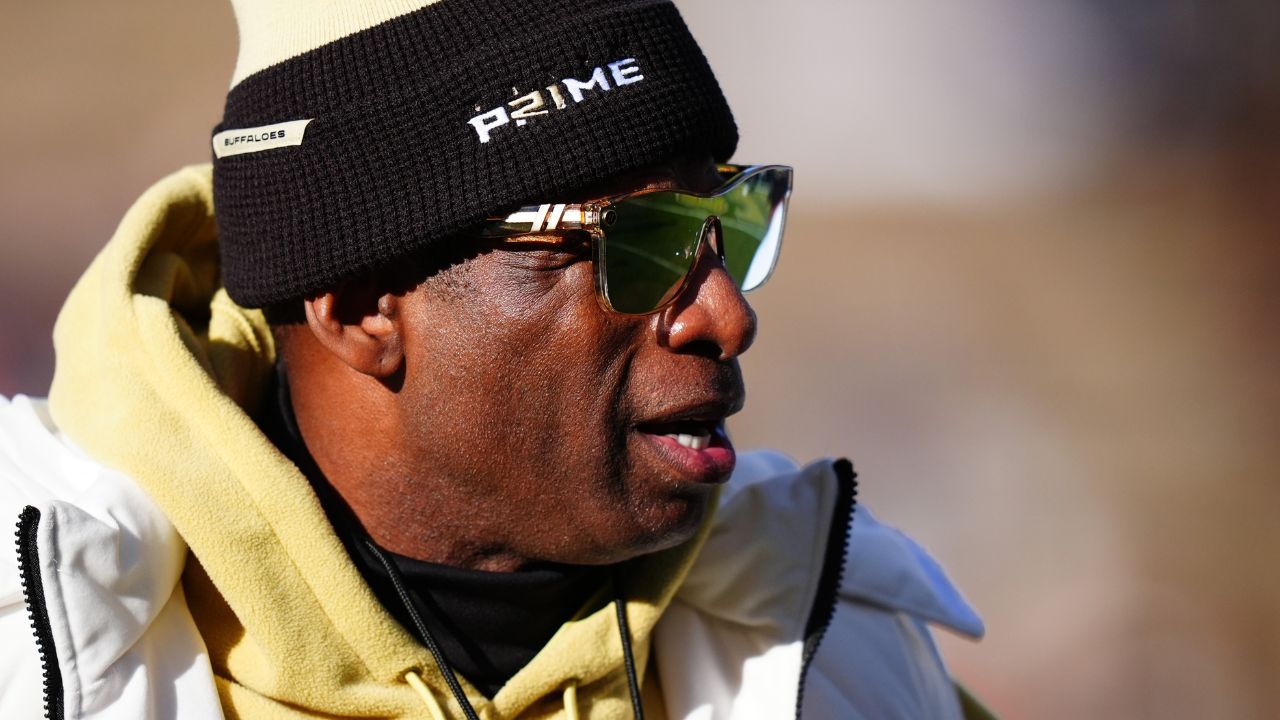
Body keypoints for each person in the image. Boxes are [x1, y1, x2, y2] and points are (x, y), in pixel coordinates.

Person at [0, 0, 992, 717]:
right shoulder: (36, 647)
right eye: (635, 244)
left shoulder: (828, 641)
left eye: (726, 223)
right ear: (358, 307)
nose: (723, 317)